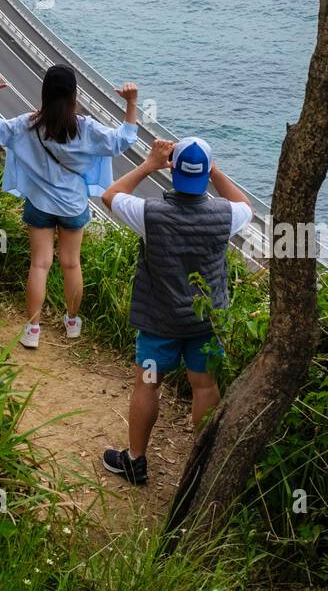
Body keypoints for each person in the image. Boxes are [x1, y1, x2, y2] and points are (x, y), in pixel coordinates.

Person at [100, 135, 253, 486]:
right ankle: (200, 467)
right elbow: (245, 205)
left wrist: (150, 164)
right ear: (206, 174)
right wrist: (214, 172)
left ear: (174, 172)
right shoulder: (225, 215)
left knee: (148, 383)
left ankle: (136, 461)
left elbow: (110, 195)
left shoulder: (149, 214)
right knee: (204, 387)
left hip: (159, 324)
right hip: (204, 322)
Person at [0, 64, 139, 349]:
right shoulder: (86, 129)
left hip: (39, 204)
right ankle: (71, 323)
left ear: (44, 93)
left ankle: (32, 329)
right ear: (73, 95)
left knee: (39, 264)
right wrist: (130, 103)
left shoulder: (28, 125)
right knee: (71, 264)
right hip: (72, 205)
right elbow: (124, 140)